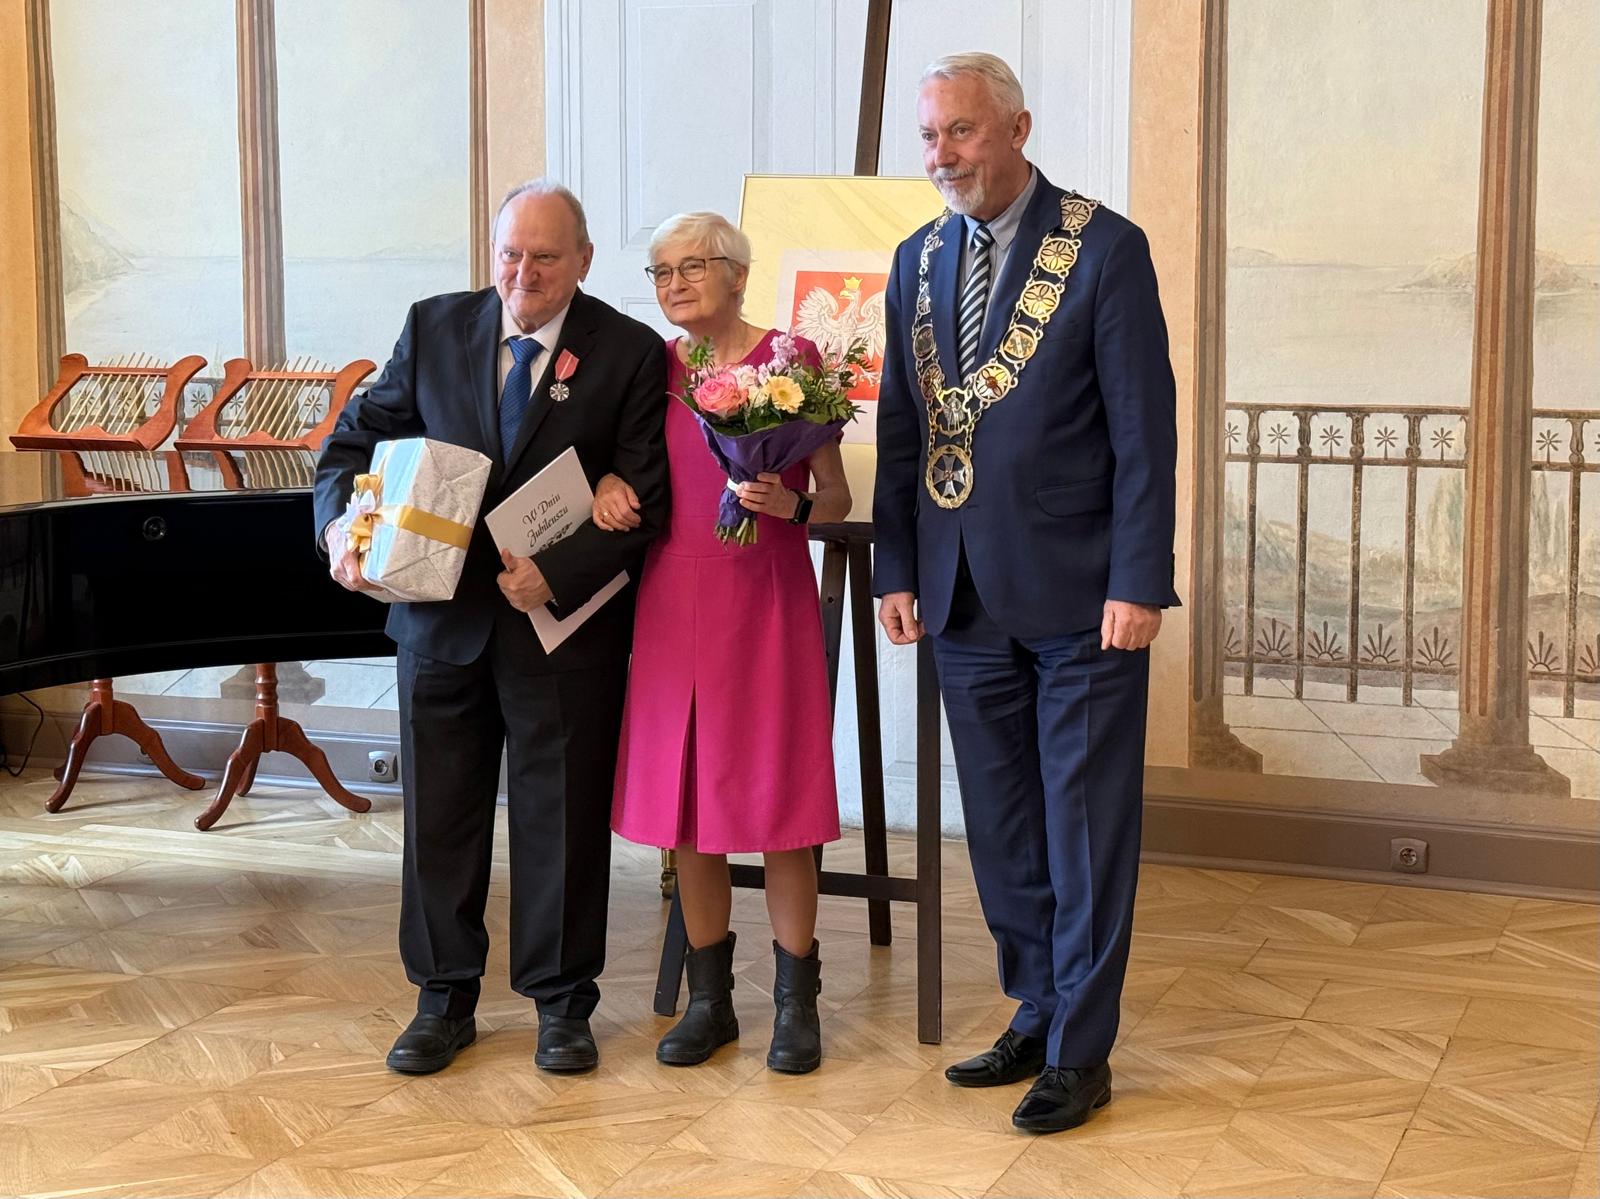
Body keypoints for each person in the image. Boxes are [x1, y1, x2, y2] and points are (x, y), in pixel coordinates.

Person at [873, 53, 1179, 1133]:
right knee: (1002, 827)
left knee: (1082, 828)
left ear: (1015, 127)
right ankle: (1036, 1007)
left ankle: (1080, 1051)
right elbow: (903, 433)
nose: (940, 156)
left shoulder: (1103, 248)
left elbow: (1145, 431)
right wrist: (896, 568)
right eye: (928, 138)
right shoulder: (913, 260)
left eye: (958, 132)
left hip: (1083, 593)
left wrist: (1141, 578)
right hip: (958, 595)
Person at [313, 179, 669, 1076]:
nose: (524, 273)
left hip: (561, 628)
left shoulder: (629, 351)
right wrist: (336, 529)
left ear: (583, 261)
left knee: (562, 817)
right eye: (511, 253)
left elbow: (648, 496)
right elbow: (351, 446)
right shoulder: (435, 326)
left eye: (545, 257)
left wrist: (562, 568)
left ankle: (561, 1003)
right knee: (440, 815)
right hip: (438, 624)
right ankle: (441, 998)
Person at [592, 211, 850, 1074]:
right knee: (687, 807)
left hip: (764, 599)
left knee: (778, 804)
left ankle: (795, 1004)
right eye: (660, 271)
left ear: (739, 273)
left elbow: (838, 501)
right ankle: (710, 1003)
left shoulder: (792, 362)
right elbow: (618, 463)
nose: (673, 285)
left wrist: (796, 508)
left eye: (691, 266)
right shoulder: (651, 368)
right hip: (673, 599)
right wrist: (606, 490)